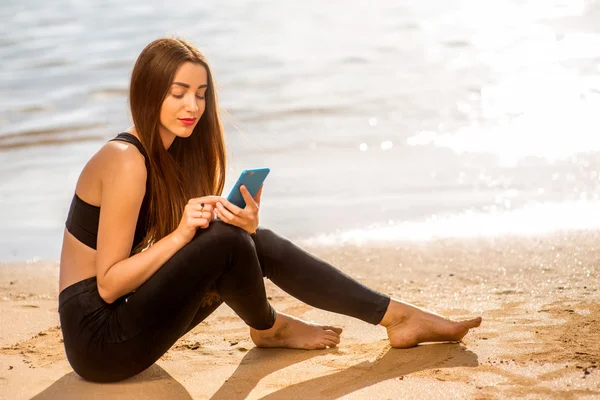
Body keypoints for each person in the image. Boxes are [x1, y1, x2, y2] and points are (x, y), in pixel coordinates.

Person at [58, 37, 482, 383]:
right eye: (178, 93)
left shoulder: (173, 157)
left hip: (126, 325)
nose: (193, 107)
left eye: (201, 95)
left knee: (239, 236)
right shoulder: (124, 159)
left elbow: (189, 257)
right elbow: (110, 285)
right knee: (225, 239)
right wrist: (185, 235)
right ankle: (271, 327)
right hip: (99, 342)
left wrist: (242, 230)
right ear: (149, 93)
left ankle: (397, 316)